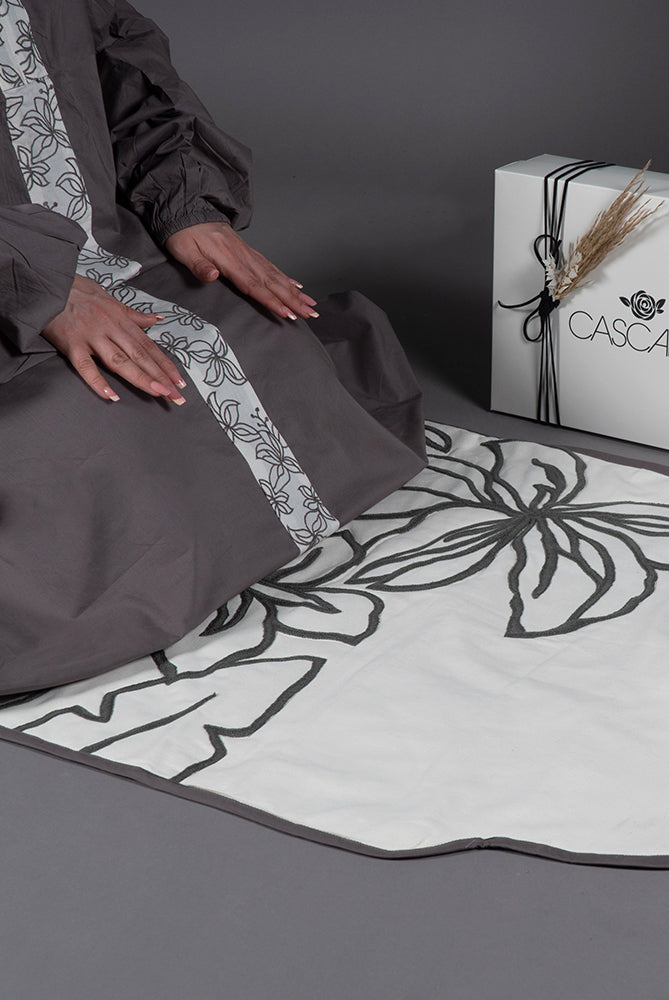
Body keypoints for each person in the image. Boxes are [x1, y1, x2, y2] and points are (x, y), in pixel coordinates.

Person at [0, 0, 426, 694]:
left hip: (97, 248)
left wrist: (185, 206)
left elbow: (124, 68)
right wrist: (38, 283)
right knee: (81, 428)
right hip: (15, 277)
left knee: (259, 333)